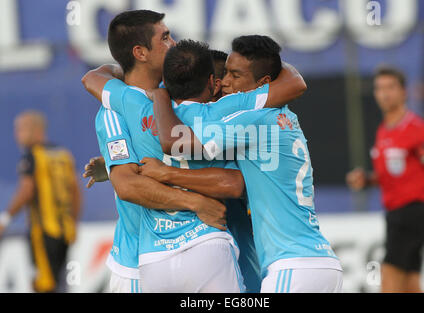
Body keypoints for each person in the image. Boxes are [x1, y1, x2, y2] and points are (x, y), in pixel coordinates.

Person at [147, 35, 343, 293]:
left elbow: (175, 142)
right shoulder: (283, 115)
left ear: (262, 84)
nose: (224, 82)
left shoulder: (249, 119)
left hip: (292, 267)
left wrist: (161, 94)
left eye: (235, 75)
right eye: (225, 71)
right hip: (321, 262)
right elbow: (292, 79)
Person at [83, 10, 228, 293]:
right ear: (140, 52)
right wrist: (196, 203)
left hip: (201, 244)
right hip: (137, 265)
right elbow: (127, 185)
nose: (173, 43)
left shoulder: (178, 92)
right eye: (165, 38)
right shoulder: (113, 111)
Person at [346, 66, 424, 293]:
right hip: (396, 215)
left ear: (404, 92)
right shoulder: (384, 131)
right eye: (379, 88)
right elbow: (389, 176)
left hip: (412, 213)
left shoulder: (418, 129)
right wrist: (367, 180)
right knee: (411, 284)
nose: (384, 93)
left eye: (390, 87)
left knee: (389, 279)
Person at [0, 110, 81, 293]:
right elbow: (76, 192)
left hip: (42, 232)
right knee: (60, 284)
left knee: (42, 285)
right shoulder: (63, 155)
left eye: (21, 129)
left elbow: (26, 191)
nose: (17, 135)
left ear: (36, 131)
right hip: (64, 231)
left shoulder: (32, 156)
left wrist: (5, 218)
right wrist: (73, 223)